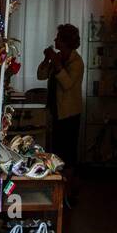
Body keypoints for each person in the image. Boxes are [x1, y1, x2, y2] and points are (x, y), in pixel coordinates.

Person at [37, 24, 84, 208]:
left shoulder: (76, 62)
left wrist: (56, 64)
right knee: (55, 152)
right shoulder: (58, 59)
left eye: (58, 38)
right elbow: (41, 75)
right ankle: (56, 191)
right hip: (55, 113)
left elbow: (67, 83)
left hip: (69, 115)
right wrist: (46, 60)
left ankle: (68, 193)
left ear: (65, 41)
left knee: (68, 155)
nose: (55, 40)